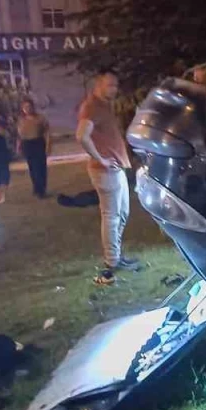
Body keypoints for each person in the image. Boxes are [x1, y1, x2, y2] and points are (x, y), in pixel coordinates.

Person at [77, 70, 141, 285]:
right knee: (111, 216)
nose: (114, 89)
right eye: (109, 85)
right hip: (105, 171)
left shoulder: (105, 105)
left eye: (116, 85)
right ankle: (112, 260)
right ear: (98, 84)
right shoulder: (91, 106)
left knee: (122, 213)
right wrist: (101, 159)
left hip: (116, 168)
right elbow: (81, 136)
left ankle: (116, 255)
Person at [16, 98, 52, 198]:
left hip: (38, 143)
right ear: (22, 109)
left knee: (40, 167)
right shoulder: (21, 120)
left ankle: (42, 190)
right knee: (32, 167)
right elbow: (19, 135)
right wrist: (18, 146)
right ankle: (36, 187)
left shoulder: (40, 118)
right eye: (25, 107)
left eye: (29, 106)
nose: (27, 109)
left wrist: (48, 145)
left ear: (33, 107)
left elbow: (47, 133)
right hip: (27, 144)